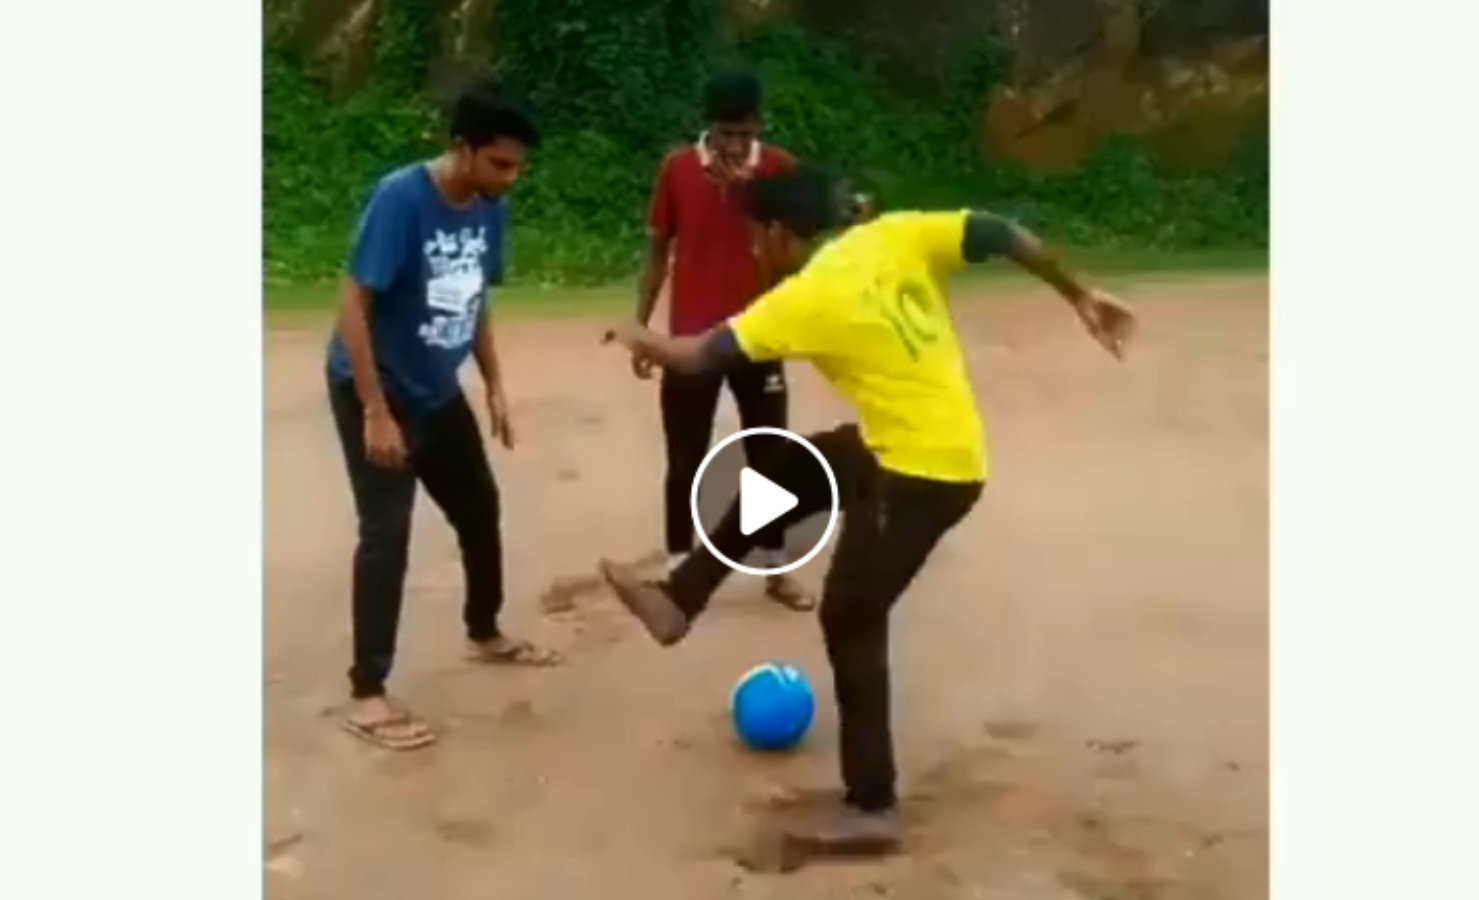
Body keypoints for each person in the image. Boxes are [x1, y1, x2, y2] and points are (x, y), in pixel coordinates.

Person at [599, 167, 1136, 852]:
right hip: (927, 449)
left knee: (851, 615)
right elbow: (1000, 232)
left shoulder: (803, 300)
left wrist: (634, 333)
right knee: (788, 470)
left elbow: (697, 356)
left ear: (778, 234)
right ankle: (680, 599)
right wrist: (1079, 292)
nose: (755, 253)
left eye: (755, 240)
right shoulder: (895, 234)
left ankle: (872, 806)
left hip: (920, 478)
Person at [325, 76, 562, 752]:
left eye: (518, 166)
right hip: (378, 387)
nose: (511, 178)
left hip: (436, 387)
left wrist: (494, 383)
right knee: (387, 532)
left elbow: (475, 296)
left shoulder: (489, 206)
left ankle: (483, 631)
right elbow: (353, 305)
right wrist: (375, 412)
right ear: (462, 148)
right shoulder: (401, 199)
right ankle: (368, 694)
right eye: (500, 164)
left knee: (479, 507)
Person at [632, 68, 813, 610]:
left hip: (759, 337)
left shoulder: (779, 169)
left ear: (759, 125)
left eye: (744, 133)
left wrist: (752, 201)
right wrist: (642, 328)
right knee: (685, 456)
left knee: (769, 454)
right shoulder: (678, 168)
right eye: (724, 133)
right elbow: (657, 250)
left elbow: (795, 264)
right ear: (707, 127)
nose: (734, 145)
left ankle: (775, 566)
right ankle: (677, 569)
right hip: (692, 341)